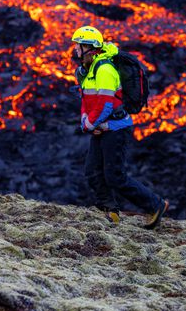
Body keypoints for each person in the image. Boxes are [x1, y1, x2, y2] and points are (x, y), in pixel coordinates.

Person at [71, 25, 168, 229]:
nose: (75, 51)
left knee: (115, 176)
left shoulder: (104, 69)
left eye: (79, 47)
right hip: (101, 127)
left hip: (115, 129)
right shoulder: (87, 70)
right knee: (92, 171)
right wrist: (86, 121)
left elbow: (105, 104)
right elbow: (88, 101)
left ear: (90, 48)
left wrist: (90, 124)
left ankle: (155, 205)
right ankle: (110, 211)